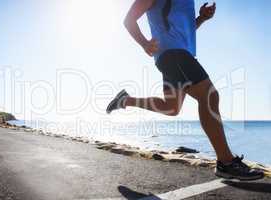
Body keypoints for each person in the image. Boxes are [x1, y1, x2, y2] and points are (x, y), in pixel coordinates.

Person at [106, 0, 264, 181]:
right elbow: (129, 19)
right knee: (209, 96)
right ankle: (226, 162)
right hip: (172, 54)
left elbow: (184, 32)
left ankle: (126, 100)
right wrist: (144, 43)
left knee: (171, 108)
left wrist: (202, 18)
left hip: (178, 54)